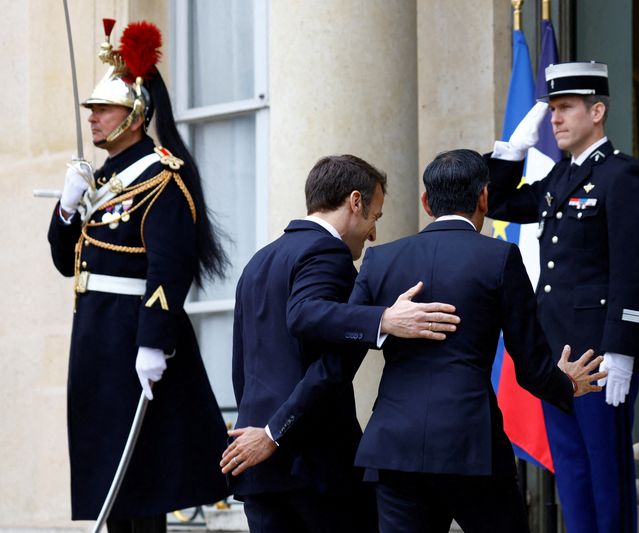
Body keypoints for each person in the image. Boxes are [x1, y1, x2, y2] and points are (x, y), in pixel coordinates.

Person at [346, 149, 606, 533]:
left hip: (393, 448)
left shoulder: (380, 259)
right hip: (472, 448)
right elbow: (530, 365)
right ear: (484, 197)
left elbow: (346, 332)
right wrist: (566, 383)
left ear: (426, 202)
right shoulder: (499, 256)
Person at [47, 20, 229, 532]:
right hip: (95, 337)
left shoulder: (160, 177)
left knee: (141, 483)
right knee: (109, 480)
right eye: (93, 110)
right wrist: (65, 209)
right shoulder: (96, 180)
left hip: (133, 336)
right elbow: (67, 263)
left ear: (135, 115)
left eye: (103, 109)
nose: (93, 119)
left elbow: (169, 269)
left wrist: (153, 343)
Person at [221, 154, 461, 533]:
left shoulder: (258, 261)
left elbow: (243, 368)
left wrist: (262, 431)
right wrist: (383, 319)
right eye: (375, 217)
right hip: (314, 466)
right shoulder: (326, 253)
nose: (373, 234)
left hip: (257, 464)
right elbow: (330, 366)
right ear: (355, 202)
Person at [486, 61, 639, 533]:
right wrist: (510, 151)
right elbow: (498, 204)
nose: (556, 119)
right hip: (558, 356)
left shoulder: (622, 177)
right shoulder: (561, 179)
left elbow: (635, 269)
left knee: (607, 480)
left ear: (597, 111)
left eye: (565, 108)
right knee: (574, 478)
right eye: (553, 109)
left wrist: (622, 349)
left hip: (599, 357)